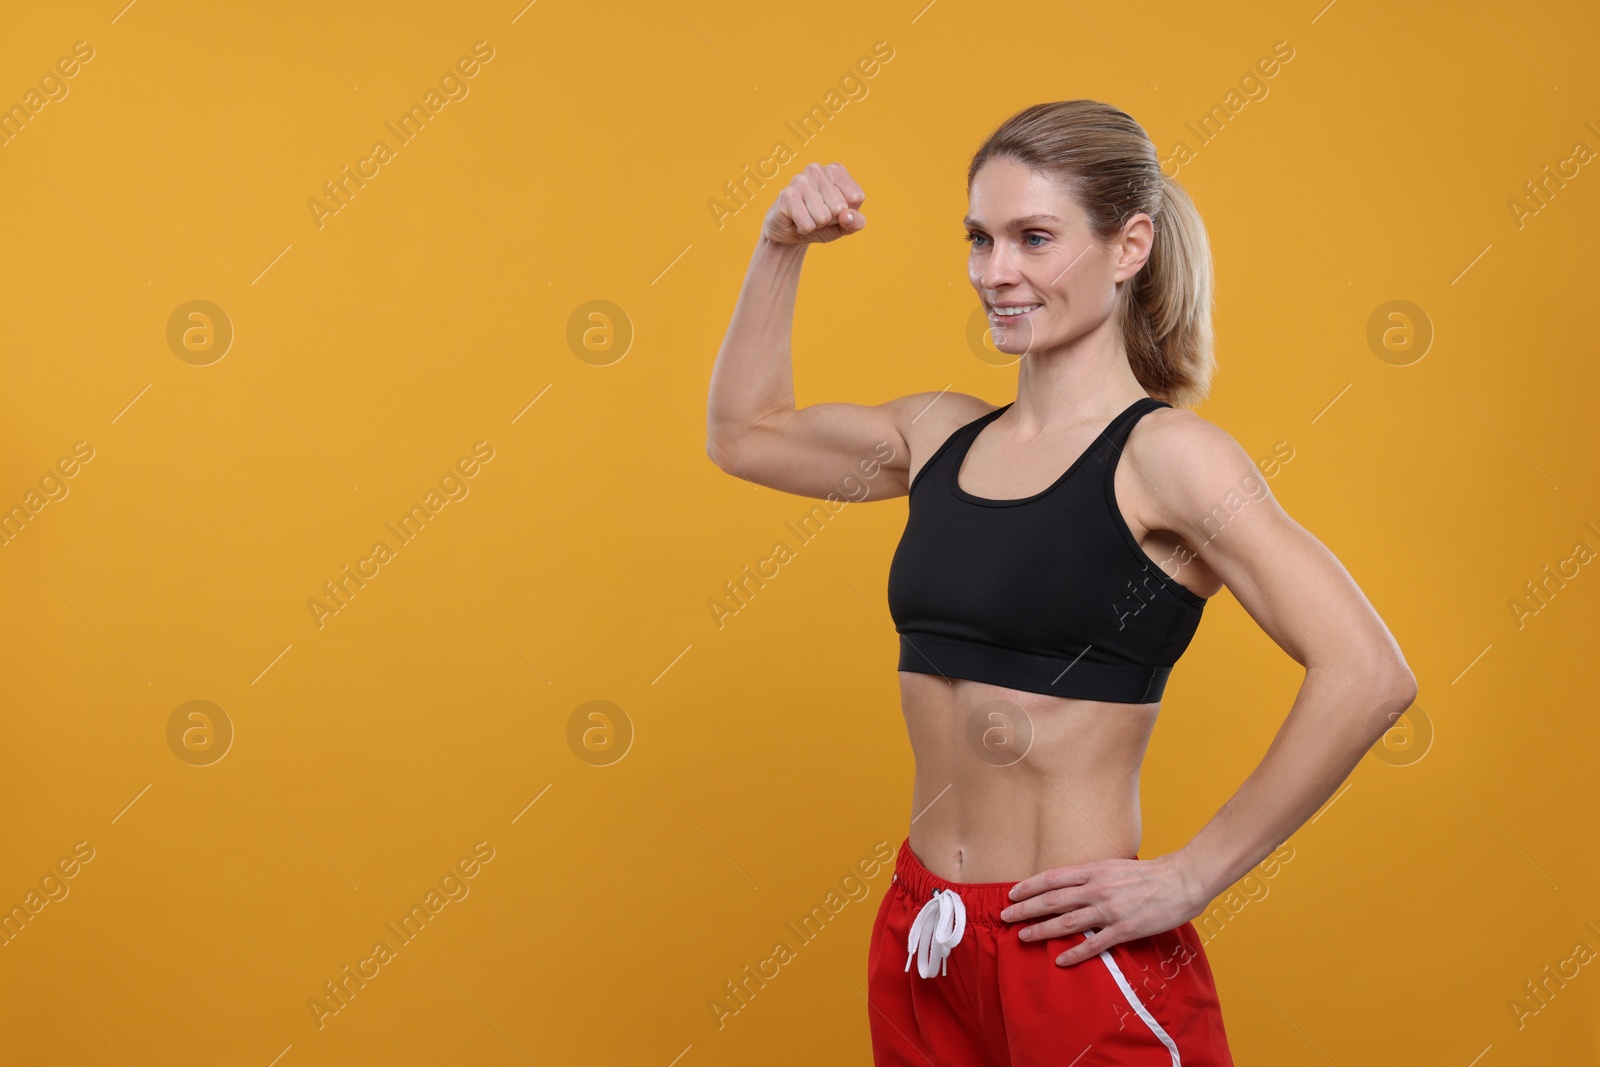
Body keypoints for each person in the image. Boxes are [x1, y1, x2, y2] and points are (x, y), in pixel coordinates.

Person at [704, 99, 1417, 1066]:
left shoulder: (1170, 460)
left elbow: (1368, 672)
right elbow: (744, 434)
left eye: (1035, 238)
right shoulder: (938, 437)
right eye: (981, 238)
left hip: (1073, 951)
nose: (998, 271)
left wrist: (1190, 877)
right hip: (927, 933)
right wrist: (779, 244)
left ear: (1129, 247)